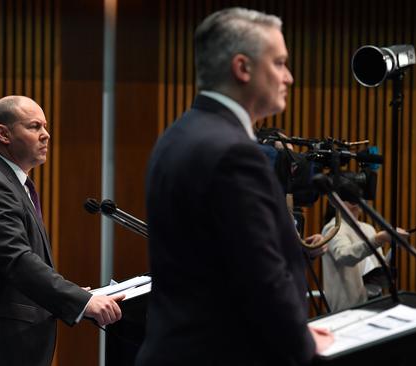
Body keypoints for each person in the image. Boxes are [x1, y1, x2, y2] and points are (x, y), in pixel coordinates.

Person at [135, 7, 333, 366]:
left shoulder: (178, 134)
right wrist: (301, 344)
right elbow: (261, 277)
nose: (288, 77)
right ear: (243, 68)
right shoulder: (233, 152)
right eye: (280, 63)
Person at [0, 95, 124, 366]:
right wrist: (82, 301)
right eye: (34, 127)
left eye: (45, 126)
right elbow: (18, 262)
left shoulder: (14, 184)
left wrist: (75, 293)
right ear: (4, 134)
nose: (46, 135)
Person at [321, 201, 408, 312]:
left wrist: (394, 246)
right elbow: (344, 256)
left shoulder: (368, 228)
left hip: (375, 301)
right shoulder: (334, 228)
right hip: (348, 309)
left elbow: (379, 265)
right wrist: (379, 239)